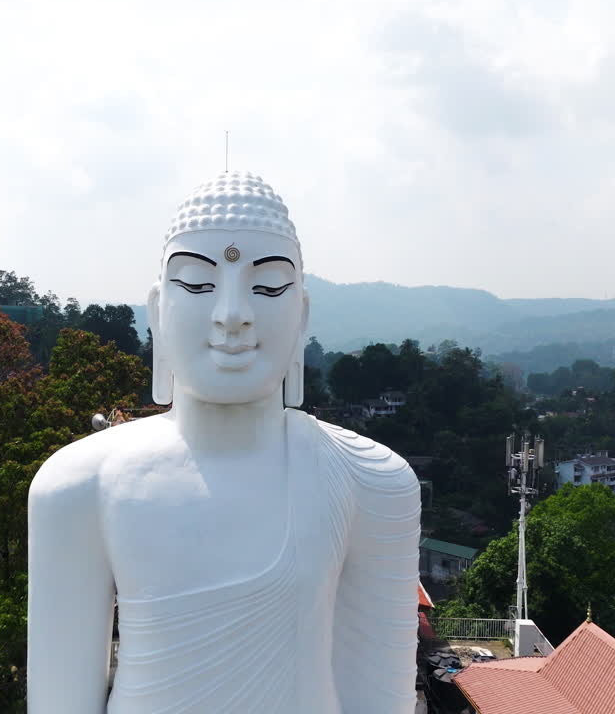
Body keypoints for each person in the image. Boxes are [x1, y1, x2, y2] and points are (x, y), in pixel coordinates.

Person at [27, 171, 421, 713]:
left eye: (267, 287)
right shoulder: (78, 484)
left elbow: (380, 695)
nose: (233, 313)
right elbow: (59, 700)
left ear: (301, 314)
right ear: (156, 311)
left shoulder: (369, 478)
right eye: (195, 283)